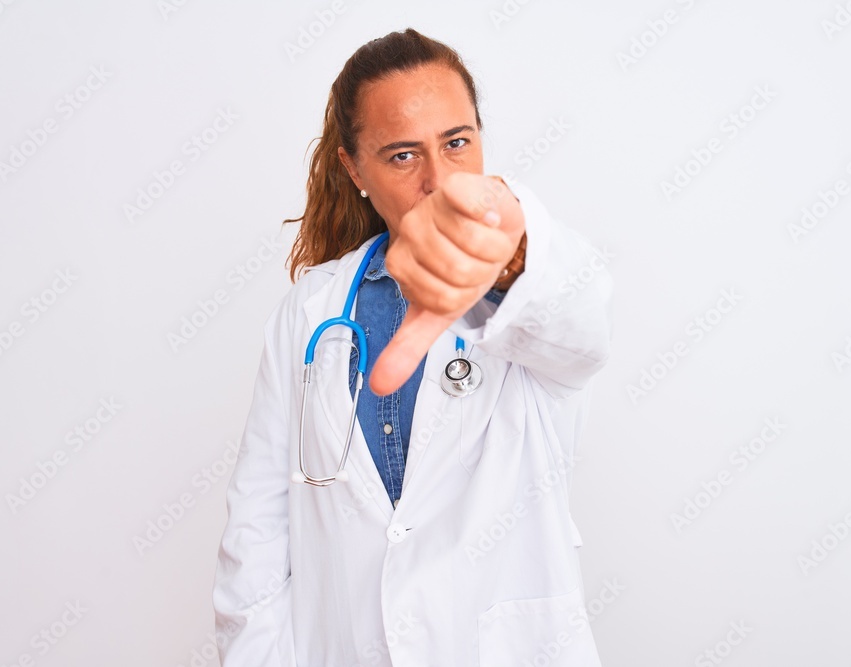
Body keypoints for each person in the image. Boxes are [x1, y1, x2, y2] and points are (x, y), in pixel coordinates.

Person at [212, 28, 613, 666]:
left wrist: (508, 261)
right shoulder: (310, 312)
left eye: (457, 143)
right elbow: (256, 534)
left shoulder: (532, 292)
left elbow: (582, 329)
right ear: (354, 169)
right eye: (402, 155)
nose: (438, 180)